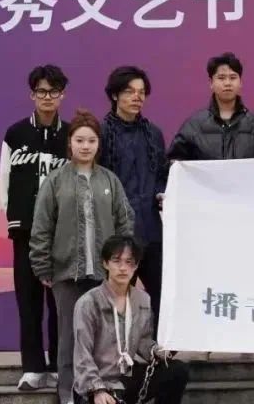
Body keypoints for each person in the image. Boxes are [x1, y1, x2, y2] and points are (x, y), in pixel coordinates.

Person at [30, 109, 135, 404]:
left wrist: (121, 264)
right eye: (79, 140)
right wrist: (42, 267)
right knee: (69, 338)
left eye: (91, 140)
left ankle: (104, 393)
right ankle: (68, 395)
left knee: (107, 336)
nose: (85, 146)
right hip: (66, 274)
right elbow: (41, 227)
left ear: (98, 144)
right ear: (70, 143)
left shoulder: (110, 181)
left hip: (105, 276)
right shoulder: (55, 181)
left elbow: (125, 222)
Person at [0, 64, 69, 391]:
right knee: (28, 302)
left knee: (59, 302)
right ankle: (32, 367)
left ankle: (57, 365)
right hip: (25, 231)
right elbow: (4, 180)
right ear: (32, 95)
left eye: (53, 91)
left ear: (62, 95)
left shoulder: (71, 135)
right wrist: (15, 218)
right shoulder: (15, 134)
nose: (47, 97)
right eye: (41, 91)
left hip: (62, 233)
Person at [73, 235, 188, 404]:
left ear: (136, 265)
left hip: (126, 378)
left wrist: (157, 351)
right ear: (105, 263)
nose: (123, 268)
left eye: (129, 262)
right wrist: (97, 390)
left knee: (177, 370)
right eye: (116, 261)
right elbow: (82, 354)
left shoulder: (142, 299)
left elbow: (143, 341)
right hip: (97, 382)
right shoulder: (88, 303)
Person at [99, 66, 169, 332]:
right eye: (129, 91)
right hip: (117, 235)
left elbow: (162, 173)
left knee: (162, 295)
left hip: (152, 232)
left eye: (141, 92)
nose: (137, 97)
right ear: (115, 95)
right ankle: (115, 351)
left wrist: (162, 191)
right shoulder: (101, 133)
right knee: (116, 299)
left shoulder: (154, 134)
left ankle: (159, 351)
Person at [167, 52, 254, 161]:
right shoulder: (194, 126)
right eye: (221, 78)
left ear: (240, 82)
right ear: (211, 83)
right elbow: (173, 164)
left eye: (233, 77)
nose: (227, 83)